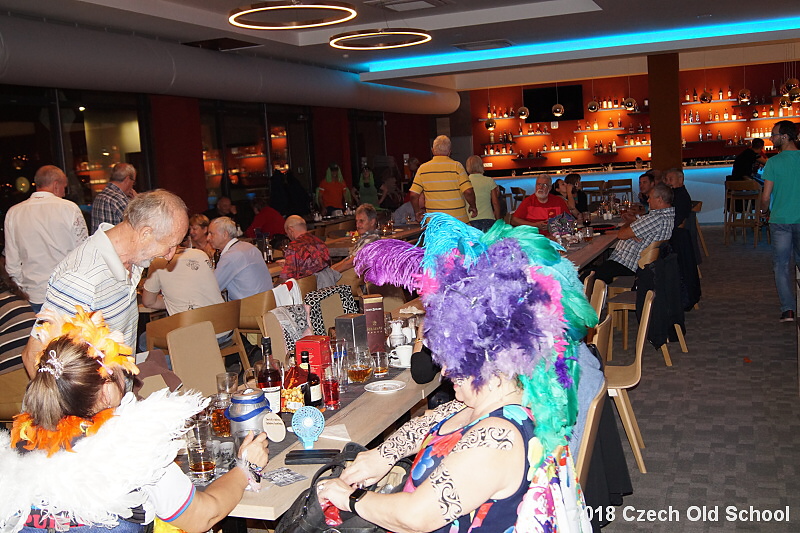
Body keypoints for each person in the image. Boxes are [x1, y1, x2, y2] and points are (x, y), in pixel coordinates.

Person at [328, 213, 596, 532]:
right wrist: (383, 455)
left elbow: (416, 516)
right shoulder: (500, 396)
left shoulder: (498, 438)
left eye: (453, 359)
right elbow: (434, 421)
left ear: (486, 358)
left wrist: (350, 498)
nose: (444, 369)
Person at [1, 308, 269, 533]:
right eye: (120, 369)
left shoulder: (16, 447)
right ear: (105, 391)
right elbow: (203, 516)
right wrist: (245, 468)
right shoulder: (130, 446)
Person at [21, 190, 189, 377]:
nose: (170, 255)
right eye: (170, 245)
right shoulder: (82, 277)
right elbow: (33, 355)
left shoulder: (131, 260)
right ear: (145, 233)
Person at [4, 165, 88, 313]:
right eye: (64, 187)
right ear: (56, 185)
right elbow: (83, 253)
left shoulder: (14, 213)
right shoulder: (69, 209)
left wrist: (21, 290)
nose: (64, 193)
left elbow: (12, 264)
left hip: (33, 295)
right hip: (67, 293)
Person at [592, 183, 675, 284]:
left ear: (659, 199)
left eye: (650, 197)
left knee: (585, 277)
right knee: (593, 270)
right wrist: (633, 229)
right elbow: (631, 230)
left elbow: (621, 235)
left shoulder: (656, 218)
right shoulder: (666, 216)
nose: (648, 200)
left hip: (627, 265)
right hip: (632, 263)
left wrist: (629, 225)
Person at [761, 120, 800, 322]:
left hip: (780, 220)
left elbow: (766, 196)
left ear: (784, 137)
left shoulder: (773, 162)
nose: (771, 138)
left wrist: (763, 210)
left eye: (774, 135)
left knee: (781, 266)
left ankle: (788, 309)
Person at [409, 135, 477, 223]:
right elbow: (468, 192)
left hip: (435, 223)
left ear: (432, 150)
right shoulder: (457, 167)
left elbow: (413, 195)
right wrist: (473, 206)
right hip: (457, 222)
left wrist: (417, 211)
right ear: (449, 151)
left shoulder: (423, 169)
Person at [141, 247, 223, 316]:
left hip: (194, 328)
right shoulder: (200, 254)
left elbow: (148, 302)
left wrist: (173, 302)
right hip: (224, 324)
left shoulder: (158, 262)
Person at [207, 217, 273, 301]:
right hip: (267, 302)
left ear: (225, 234)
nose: (208, 238)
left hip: (250, 306)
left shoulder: (231, 256)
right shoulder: (249, 246)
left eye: (211, 234)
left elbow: (212, 287)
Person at [279, 215, 330, 281]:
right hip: (327, 283)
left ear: (290, 230)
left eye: (287, 233)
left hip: (307, 285)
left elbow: (286, 277)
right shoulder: (320, 242)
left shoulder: (294, 247)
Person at [332, 204, 381, 272]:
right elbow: (348, 259)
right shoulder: (366, 237)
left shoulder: (372, 239)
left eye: (361, 221)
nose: (357, 225)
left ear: (372, 222)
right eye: (356, 221)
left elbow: (351, 262)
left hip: (353, 276)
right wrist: (331, 270)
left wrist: (330, 274)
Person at [91, 163, 137, 233]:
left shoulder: (99, 196)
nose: (132, 186)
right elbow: (139, 225)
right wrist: (137, 201)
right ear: (127, 179)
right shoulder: (119, 200)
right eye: (133, 182)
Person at [465, 155, 500, 231]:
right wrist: (498, 220)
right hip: (488, 218)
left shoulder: (465, 181)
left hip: (470, 220)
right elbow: (495, 203)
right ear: (481, 165)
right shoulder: (489, 180)